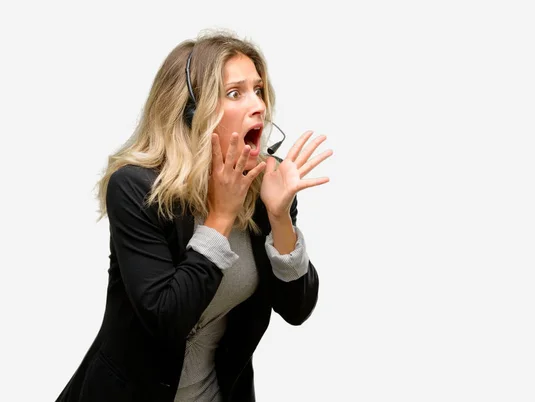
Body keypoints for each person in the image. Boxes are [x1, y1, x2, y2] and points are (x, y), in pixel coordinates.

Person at [55, 29, 332, 402]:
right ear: (190, 113)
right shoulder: (136, 189)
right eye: (235, 93)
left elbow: (297, 308)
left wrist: (280, 218)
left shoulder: (266, 185)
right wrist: (220, 217)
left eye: (259, 90)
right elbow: (166, 318)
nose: (259, 106)